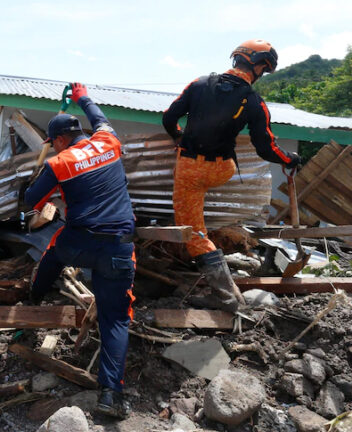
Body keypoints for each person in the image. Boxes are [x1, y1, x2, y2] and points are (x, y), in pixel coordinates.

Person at [162, 39, 301, 312]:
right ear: (259, 66)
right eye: (264, 69)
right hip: (222, 170)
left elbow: (169, 118)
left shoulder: (199, 84)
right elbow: (266, 147)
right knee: (200, 204)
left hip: (190, 170)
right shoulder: (253, 101)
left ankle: (225, 297)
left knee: (193, 232)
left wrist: (179, 137)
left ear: (237, 59)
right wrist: (290, 159)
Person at [25, 82, 136, 419]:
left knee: (56, 249)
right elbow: (98, 117)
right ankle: (110, 394)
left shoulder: (59, 163)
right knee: (115, 317)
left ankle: (35, 297)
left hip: (79, 244)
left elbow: (31, 202)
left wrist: (42, 185)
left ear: (58, 140)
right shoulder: (109, 141)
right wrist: (82, 96)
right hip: (118, 246)